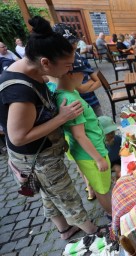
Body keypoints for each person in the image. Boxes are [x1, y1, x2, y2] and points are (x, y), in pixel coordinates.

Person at [0, 16, 98, 240]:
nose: (70, 69)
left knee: (48, 193)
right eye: (67, 65)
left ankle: (64, 230)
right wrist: (62, 117)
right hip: (36, 156)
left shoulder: (33, 69)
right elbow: (18, 136)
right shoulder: (20, 90)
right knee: (64, 193)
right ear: (45, 62)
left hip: (40, 154)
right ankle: (93, 231)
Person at [54, 58, 112, 216]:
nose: (84, 78)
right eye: (83, 75)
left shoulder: (68, 92)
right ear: (71, 74)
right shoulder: (70, 100)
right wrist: (98, 159)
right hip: (91, 154)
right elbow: (79, 135)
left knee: (102, 184)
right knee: (102, 189)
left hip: (92, 149)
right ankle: (112, 215)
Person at [53, 23, 104, 117]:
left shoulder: (80, 59)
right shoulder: (56, 65)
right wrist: (85, 85)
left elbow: (98, 81)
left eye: (74, 47)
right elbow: (74, 87)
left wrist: (81, 88)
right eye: (68, 48)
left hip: (92, 101)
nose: (73, 53)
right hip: (74, 107)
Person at [98, 116, 122, 182]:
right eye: (108, 134)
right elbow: (101, 166)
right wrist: (114, 168)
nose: (112, 135)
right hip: (108, 165)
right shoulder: (99, 148)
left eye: (112, 132)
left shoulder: (118, 139)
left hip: (119, 160)